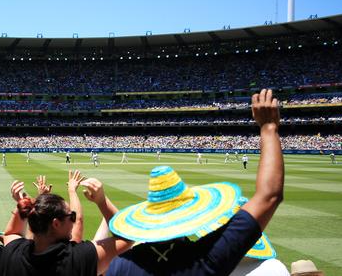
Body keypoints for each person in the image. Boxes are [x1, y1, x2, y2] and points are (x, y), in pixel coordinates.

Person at [106, 88, 285, 275]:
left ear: (149, 217)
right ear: (190, 214)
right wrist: (268, 127)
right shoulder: (206, 258)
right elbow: (269, 195)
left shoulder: (120, 265)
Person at [0, 177, 132, 275]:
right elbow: (127, 237)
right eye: (71, 217)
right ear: (56, 223)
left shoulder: (14, 252)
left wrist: (23, 204)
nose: (73, 221)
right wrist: (102, 201)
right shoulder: (79, 257)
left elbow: (10, 233)